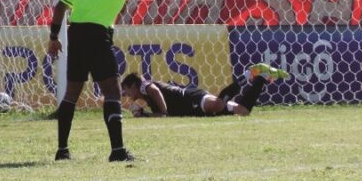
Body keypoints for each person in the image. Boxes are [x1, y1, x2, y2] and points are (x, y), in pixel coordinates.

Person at [45, 0, 220, 162]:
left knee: (71, 95)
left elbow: (60, 6)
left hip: (76, 34)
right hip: (98, 35)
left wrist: (53, 38)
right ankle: (117, 151)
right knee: (112, 93)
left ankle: (62, 150)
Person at [121, 65, 287, 117]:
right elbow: (159, 113)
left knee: (218, 104)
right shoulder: (146, 97)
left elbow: (156, 92)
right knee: (243, 111)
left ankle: (248, 74)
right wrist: (144, 115)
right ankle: (261, 78)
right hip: (191, 110)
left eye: (127, 90)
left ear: (133, 85)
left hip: (190, 98)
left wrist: (162, 112)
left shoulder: (145, 86)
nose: (127, 95)